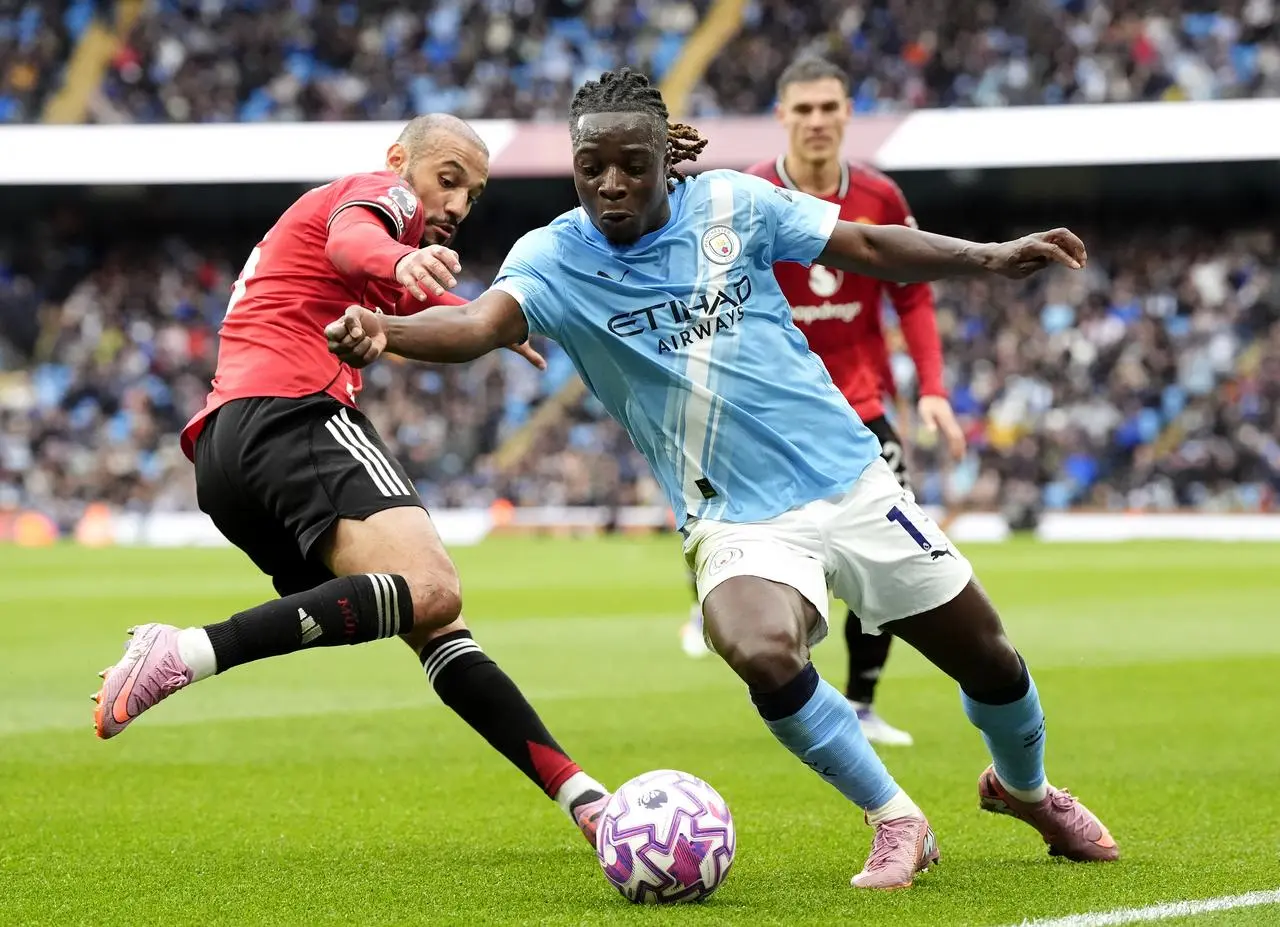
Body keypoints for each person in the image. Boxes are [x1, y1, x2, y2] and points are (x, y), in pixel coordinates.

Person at [326, 69, 1120, 890]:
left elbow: (872, 246)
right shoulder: (554, 257)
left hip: (851, 481)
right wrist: (383, 329)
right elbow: (472, 323)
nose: (610, 184)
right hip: (735, 519)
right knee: (758, 648)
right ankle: (895, 817)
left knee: (990, 661)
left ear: (667, 161)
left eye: (631, 163)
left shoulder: (736, 205)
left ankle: (1026, 790)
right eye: (591, 165)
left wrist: (988, 256)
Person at [91, 114, 610, 846]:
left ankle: (584, 799)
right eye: (448, 180)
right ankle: (188, 650)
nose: (457, 206)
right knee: (435, 589)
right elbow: (355, 239)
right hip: (292, 414)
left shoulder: (370, 253)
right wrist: (401, 265)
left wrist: (489, 321)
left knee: (433, 624)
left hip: (227, 456)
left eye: (474, 194)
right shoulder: (379, 196)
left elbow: (427, 319)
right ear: (401, 161)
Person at [679, 57, 966, 750]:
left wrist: (931, 386)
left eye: (828, 108)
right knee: (744, 526)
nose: (815, 121)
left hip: (858, 405)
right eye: (802, 109)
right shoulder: (744, 193)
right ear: (781, 115)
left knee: (888, 548)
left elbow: (912, 290)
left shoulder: (879, 198)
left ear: (847, 113)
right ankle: (723, 599)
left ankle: (863, 702)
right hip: (762, 412)